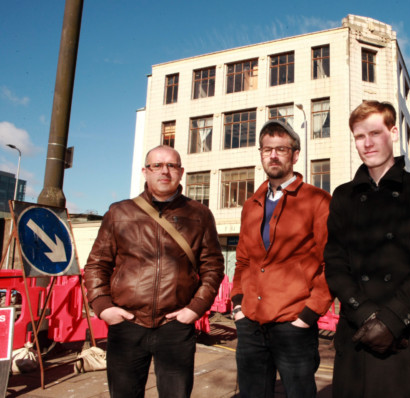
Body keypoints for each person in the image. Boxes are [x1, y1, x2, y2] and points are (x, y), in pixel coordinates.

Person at [324, 101, 410, 398]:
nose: (367, 143)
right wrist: (365, 314)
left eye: (375, 133)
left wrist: (391, 320)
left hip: (404, 334)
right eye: (359, 136)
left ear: (393, 133)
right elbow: (335, 262)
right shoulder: (343, 196)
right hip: (357, 333)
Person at [84, 145, 225, 398]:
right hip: (127, 322)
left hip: (175, 325)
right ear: (145, 172)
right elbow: (97, 263)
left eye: (171, 165)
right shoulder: (119, 212)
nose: (164, 171)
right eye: (157, 165)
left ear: (181, 172)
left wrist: (195, 308)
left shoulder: (199, 214)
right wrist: (103, 306)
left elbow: (213, 266)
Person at [231, 120, 333, 398]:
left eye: (281, 149)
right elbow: (242, 262)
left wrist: (308, 315)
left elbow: (332, 263)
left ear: (295, 155)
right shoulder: (251, 205)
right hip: (250, 323)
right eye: (267, 149)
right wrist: (238, 305)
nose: (273, 155)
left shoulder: (318, 201)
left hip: (294, 325)